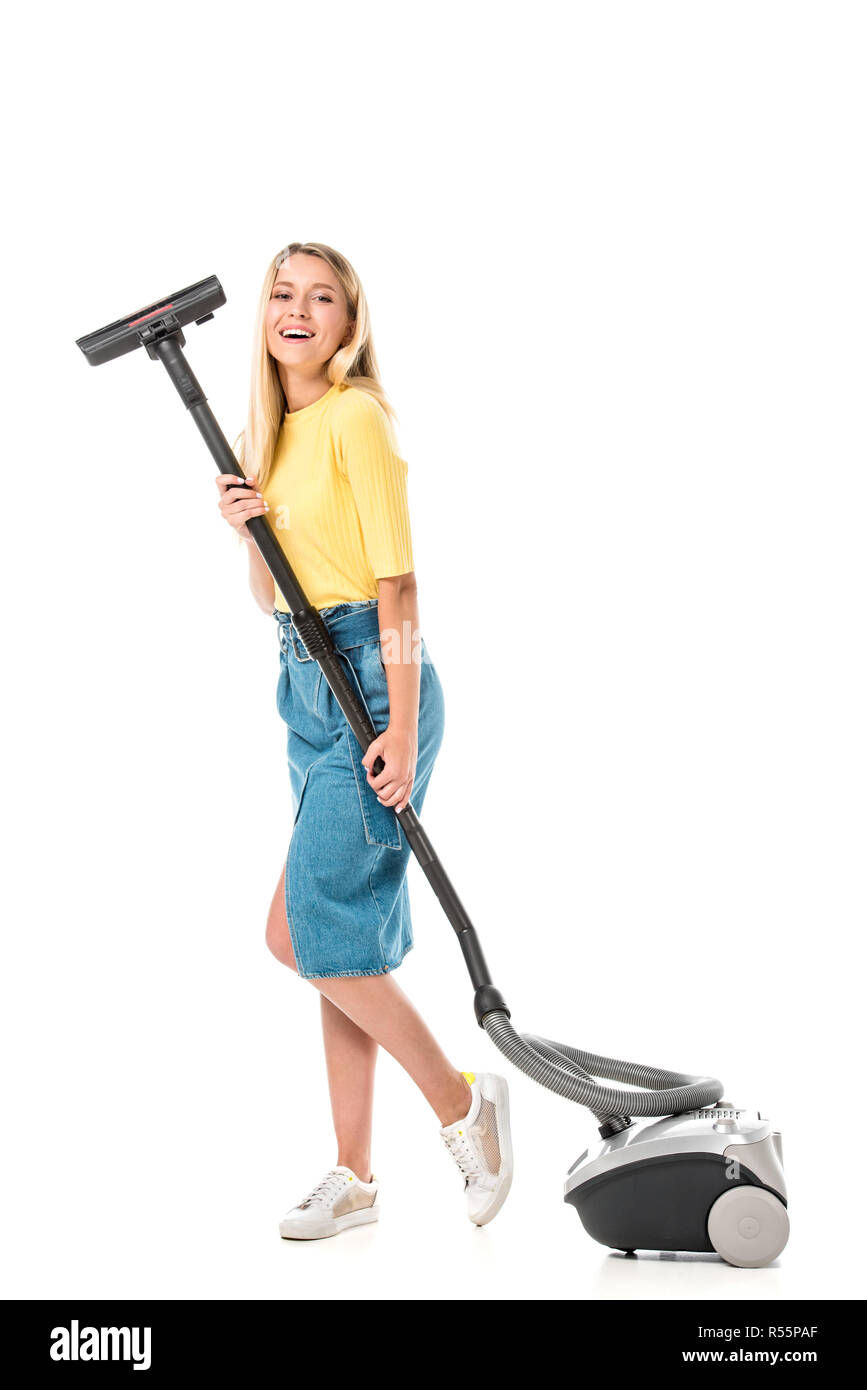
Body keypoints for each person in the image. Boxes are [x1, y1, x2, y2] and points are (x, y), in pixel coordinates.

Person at [216, 241, 513, 1240]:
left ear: (349, 321)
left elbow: (396, 585)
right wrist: (248, 533)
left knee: (300, 932)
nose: (298, 310)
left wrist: (398, 722)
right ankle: (355, 1172)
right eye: (282, 294)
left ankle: (463, 1103)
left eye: (323, 297)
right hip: (304, 685)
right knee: (328, 934)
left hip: (374, 681)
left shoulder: (354, 417)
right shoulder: (275, 438)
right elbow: (274, 602)